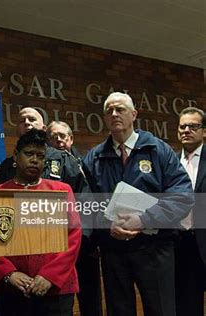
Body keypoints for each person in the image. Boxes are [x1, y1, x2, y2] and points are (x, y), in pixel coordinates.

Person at [83, 92, 194, 316]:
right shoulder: (93, 158)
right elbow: (86, 206)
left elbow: (182, 196)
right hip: (113, 252)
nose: (114, 114)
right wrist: (105, 225)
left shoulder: (159, 150)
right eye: (109, 111)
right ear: (104, 118)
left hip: (155, 248)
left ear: (134, 114)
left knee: (161, 310)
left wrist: (143, 219)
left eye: (120, 109)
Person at [0, 129, 82, 316]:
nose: (35, 160)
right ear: (16, 155)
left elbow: (73, 236)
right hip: (14, 288)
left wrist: (50, 275)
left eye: (40, 156)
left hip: (56, 288)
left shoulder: (60, 191)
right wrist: (8, 274)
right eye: (29, 154)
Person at [47, 121, 102, 316]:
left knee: (91, 301)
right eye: (54, 137)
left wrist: (92, 240)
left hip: (86, 245)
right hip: (60, 248)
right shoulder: (47, 167)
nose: (59, 140)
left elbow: (94, 204)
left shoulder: (86, 164)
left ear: (71, 139)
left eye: (63, 136)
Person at [0, 107, 85, 196]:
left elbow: (84, 199)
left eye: (32, 119)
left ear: (44, 129)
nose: (26, 122)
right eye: (22, 121)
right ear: (17, 130)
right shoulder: (5, 167)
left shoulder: (64, 159)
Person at [175, 106, 206, 316]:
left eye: (193, 126)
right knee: (187, 306)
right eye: (182, 126)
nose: (186, 130)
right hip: (181, 244)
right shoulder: (171, 162)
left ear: (204, 131)